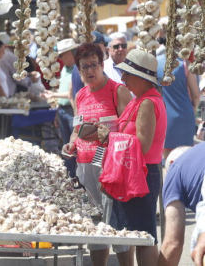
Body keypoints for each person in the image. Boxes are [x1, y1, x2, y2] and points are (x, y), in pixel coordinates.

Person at [62, 43, 133, 266]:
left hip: (111, 166)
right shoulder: (81, 95)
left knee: (117, 222)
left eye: (94, 65)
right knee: (94, 222)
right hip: (85, 164)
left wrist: (105, 135)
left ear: (103, 65)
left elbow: (130, 130)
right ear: (79, 70)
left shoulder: (118, 90)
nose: (90, 70)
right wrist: (71, 144)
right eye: (84, 67)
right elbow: (76, 129)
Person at [97, 49, 167, 265]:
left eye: (127, 74)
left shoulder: (147, 103)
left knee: (144, 235)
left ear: (143, 77)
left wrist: (110, 136)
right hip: (136, 173)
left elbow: (142, 145)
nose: (123, 78)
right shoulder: (141, 100)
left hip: (142, 175)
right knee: (136, 233)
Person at [157, 144, 205, 266]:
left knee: (200, 252)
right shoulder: (199, 151)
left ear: (171, 163)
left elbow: (173, 243)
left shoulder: (175, 168)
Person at [41, 38, 79, 177]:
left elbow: (71, 94)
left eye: (62, 55)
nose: (61, 59)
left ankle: (75, 175)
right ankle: (70, 174)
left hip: (72, 111)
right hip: (63, 110)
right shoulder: (64, 69)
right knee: (66, 144)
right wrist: (57, 112)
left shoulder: (76, 69)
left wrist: (53, 94)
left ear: (69, 54)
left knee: (73, 145)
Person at [157, 48, 200, 160]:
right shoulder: (184, 64)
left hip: (164, 116)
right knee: (185, 155)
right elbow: (196, 94)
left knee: (167, 157)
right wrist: (193, 110)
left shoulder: (155, 62)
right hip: (184, 115)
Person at [72, 31, 111, 101]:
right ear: (96, 47)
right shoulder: (91, 68)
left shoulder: (77, 66)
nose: (106, 48)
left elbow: (71, 93)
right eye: (104, 44)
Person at [0, 32, 37, 96]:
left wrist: (28, 74)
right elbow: (18, 77)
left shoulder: (5, 54)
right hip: (8, 91)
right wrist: (31, 81)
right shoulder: (11, 56)